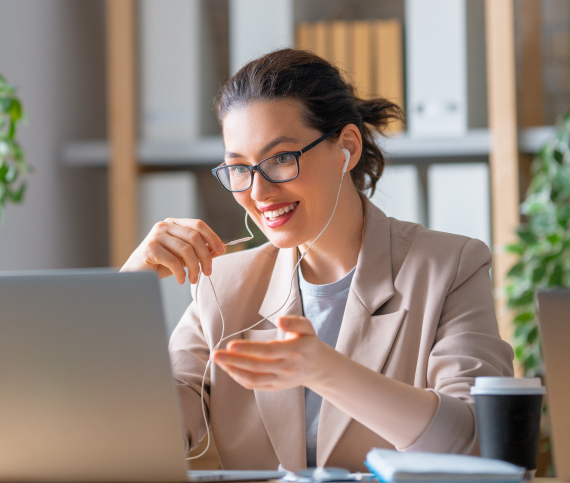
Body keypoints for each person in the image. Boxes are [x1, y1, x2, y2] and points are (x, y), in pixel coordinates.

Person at [121, 48, 514, 472]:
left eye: (281, 159)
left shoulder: (449, 266)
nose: (258, 192)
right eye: (239, 168)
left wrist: (326, 371)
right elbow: (144, 435)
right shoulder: (223, 285)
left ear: (346, 147)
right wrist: (123, 291)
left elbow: (476, 442)